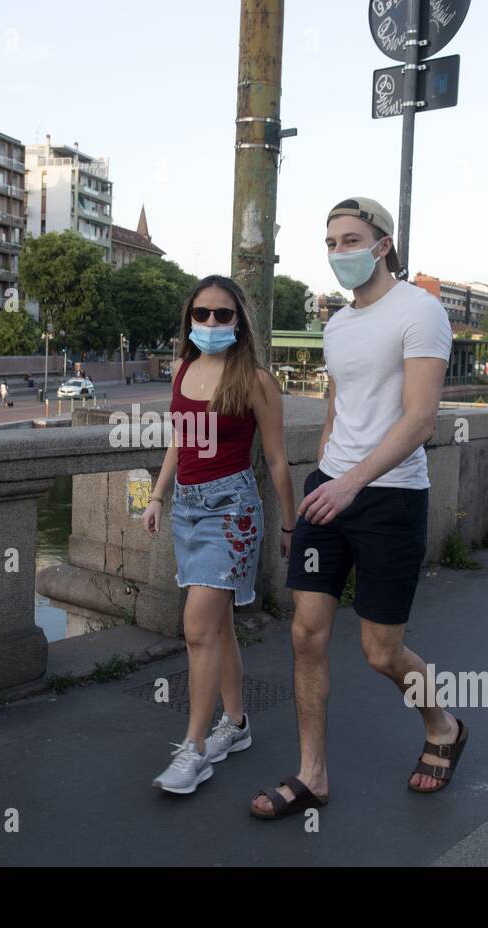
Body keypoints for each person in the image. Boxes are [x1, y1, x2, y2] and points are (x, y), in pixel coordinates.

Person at [250, 198, 460, 821]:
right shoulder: (338, 325)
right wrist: (325, 473)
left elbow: (421, 419)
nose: (340, 251)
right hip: (332, 488)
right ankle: (312, 775)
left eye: (351, 239)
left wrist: (354, 483)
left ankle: (442, 725)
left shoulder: (420, 312)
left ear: (383, 244)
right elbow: (340, 405)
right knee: (305, 633)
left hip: (392, 495)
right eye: (331, 242)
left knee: (380, 651)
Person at [141, 275, 296, 795]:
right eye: (201, 314)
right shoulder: (182, 370)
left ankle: (195, 749)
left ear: (239, 320)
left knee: (198, 628)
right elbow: (179, 444)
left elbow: (275, 458)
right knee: (220, 625)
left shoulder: (254, 380)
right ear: (189, 318)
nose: (210, 323)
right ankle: (237, 723)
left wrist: (290, 525)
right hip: (186, 508)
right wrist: (158, 496)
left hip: (232, 513)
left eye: (222, 315)